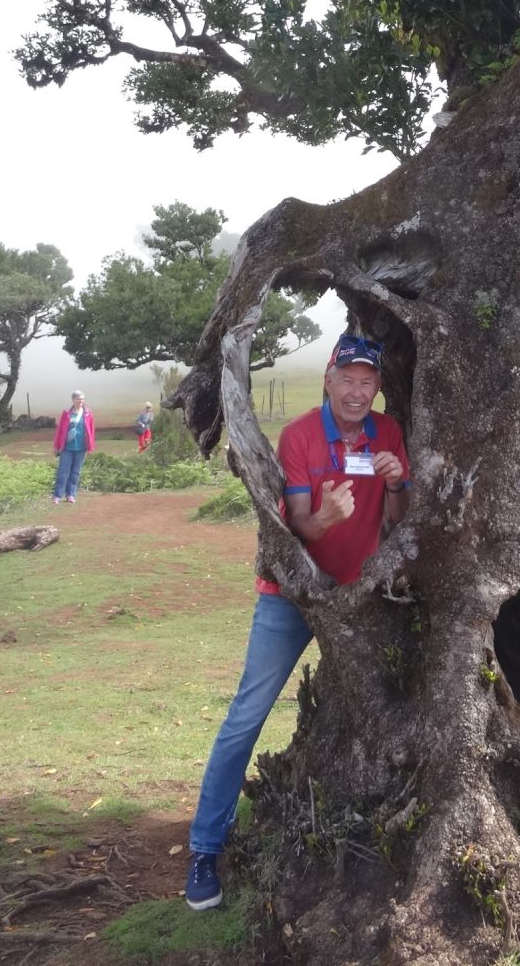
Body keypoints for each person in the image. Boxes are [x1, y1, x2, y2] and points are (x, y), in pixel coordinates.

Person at [185, 334, 410, 911]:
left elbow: (401, 521)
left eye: (368, 381)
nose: (358, 391)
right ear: (328, 381)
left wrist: (396, 484)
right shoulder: (302, 436)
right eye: (348, 379)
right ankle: (204, 850)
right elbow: (299, 530)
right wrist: (326, 518)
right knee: (248, 714)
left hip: (359, 597)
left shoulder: (387, 433)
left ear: (376, 387)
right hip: (291, 596)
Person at [52, 390, 95, 504]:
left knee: (76, 472)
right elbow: (60, 430)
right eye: (78, 399)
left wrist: (90, 446)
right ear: (73, 400)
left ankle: (70, 494)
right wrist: (56, 446)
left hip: (81, 448)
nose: (81, 401)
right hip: (67, 447)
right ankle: (57, 496)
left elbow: (91, 430)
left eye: (82, 399)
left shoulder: (88, 413)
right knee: (63, 471)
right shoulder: (66, 413)